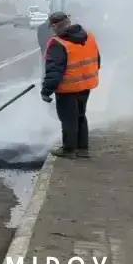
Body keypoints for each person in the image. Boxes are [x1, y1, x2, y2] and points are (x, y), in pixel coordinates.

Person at [40, 11, 101, 158]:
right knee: (80, 116)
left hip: (67, 88)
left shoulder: (58, 43)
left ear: (55, 26)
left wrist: (46, 91)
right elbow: (97, 60)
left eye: (52, 27)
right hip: (85, 85)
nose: (52, 30)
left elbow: (54, 71)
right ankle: (83, 149)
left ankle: (69, 150)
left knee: (68, 119)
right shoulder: (89, 36)